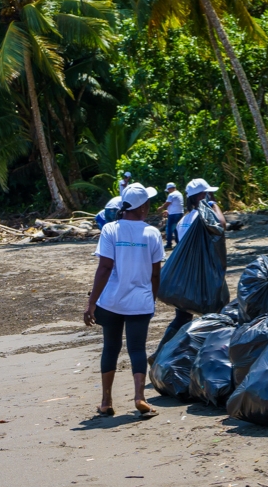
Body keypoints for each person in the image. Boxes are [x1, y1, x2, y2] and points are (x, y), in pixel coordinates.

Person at [84, 183, 163, 418]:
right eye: (148, 203)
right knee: (137, 348)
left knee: (111, 347)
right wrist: (152, 297)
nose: (149, 206)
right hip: (140, 301)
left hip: (111, 301)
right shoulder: (152, 233)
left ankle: (106, 402)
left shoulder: (110, 229)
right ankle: (140, 397)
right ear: (142, 208)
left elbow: (105, 267)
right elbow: (156, 273)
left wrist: (92, 302)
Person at [153, 179, 228, 359]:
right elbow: (221, 225)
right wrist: (213, 203)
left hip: (184, 279)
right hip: (203, 278)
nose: (212, 196)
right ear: (202, 196)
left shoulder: (183, 220)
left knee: (182, 317)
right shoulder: (204, 215)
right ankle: (209, 358)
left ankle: (160, 353)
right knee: (215, 314)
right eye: (209, 193)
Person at [157, 182, 185, 250]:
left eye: (168, 190)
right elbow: (175, 205)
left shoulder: (171, 195)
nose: (168, 191)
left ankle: (169, 244)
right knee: (176, 229)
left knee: (169, 229)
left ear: (170, 188)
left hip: (173, 215)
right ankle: (178, 243)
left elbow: (167, 203)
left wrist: (161, 208)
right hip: (179, 213)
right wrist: (168, 211)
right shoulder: (179, 194)